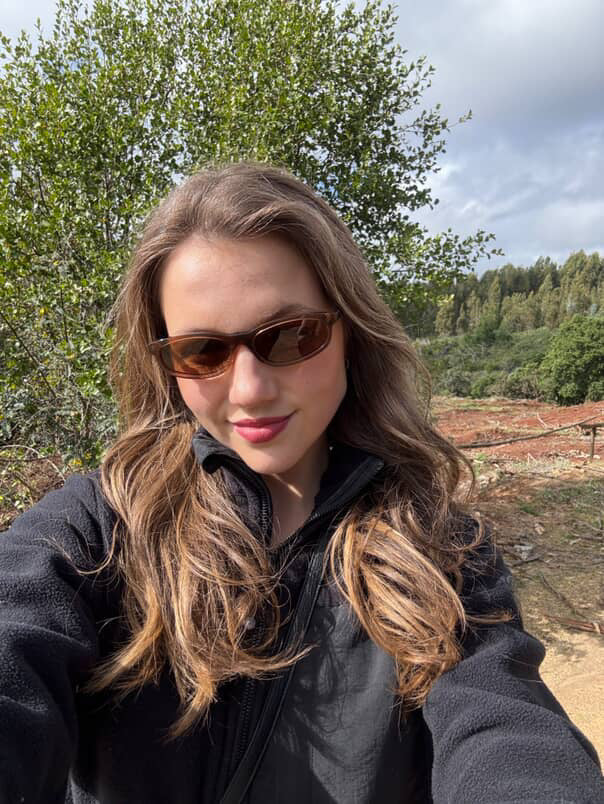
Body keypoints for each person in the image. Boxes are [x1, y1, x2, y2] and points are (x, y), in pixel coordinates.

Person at [0, 162, 602, 804]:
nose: (251, 389)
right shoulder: (100, 528)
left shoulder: (441, 550)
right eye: (203, 351)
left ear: (350, 333)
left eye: (291, 335)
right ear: (167, 365)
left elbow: (506, 731)